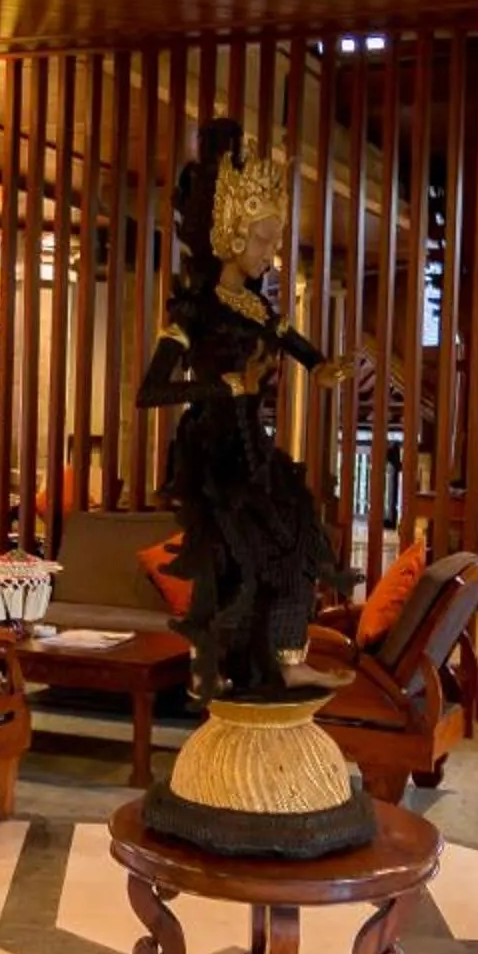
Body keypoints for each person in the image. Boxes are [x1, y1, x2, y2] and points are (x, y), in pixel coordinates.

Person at [137, 120, 352, 698]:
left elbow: (290, 339)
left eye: (274, 241)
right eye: (260, 240)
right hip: (212, 458)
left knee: (301, 536)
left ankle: (286, 658)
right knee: (245, 563)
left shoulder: (256, 305)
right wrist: (222, 389)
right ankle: (232, 672)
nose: (269, 252)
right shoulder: (193, 312)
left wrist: (321, 366)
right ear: (232, 235)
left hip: (254, 449)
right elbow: (149, 393)